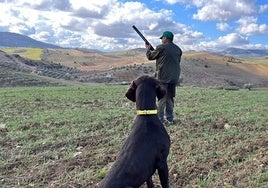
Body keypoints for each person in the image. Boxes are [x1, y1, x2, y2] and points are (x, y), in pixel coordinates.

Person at [145, 31, 182, 125]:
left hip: (163, 77)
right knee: (169, 98)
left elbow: (150, 57)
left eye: (162, 38)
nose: (162, 40)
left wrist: (148, 49)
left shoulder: (161, 47)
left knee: (161, 99)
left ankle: (160, 120)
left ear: (166, 38)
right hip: (174, 78)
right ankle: (170, 119)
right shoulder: (178, 49)